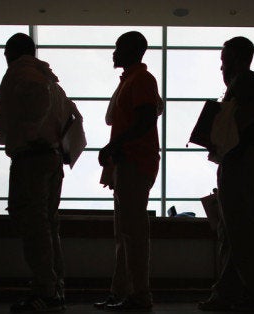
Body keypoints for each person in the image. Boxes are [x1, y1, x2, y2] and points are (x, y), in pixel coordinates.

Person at [0, 33, 76, 313]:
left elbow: (34, 105)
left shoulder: (22, 74)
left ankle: (45, 289)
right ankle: (55, 286)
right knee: (48, 223)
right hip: (51, 156)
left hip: (31, 157)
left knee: (31, 221)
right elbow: (72, 118)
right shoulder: (50, 79)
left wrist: (29, 133)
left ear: (11, 52)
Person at [198, 36, 254, 312]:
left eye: (224, 59)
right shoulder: (247, 83)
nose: (221, 66)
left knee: (241, 232)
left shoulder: (246, 81)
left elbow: (247, 115)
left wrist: (223, 138)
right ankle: (231, 292)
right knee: (233, 231)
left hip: (240, 160)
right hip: (240, 159)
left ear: (235, 59)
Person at [94, 31, 163, 312]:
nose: (114, 51)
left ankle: (138, 295)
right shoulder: (131, 81)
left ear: (134, 50)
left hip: (135, 161)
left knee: (132, 233)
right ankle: (123, 292)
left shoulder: (142, 80)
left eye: (119, 46)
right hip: (129, 161)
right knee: (125, 232)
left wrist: (114, 145)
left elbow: (145, 120)